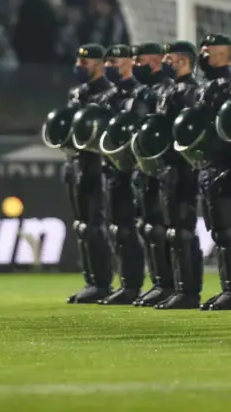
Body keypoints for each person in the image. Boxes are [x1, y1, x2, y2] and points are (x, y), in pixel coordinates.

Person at [191, 34, 231, 310]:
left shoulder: (227, 85)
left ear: (225, 55)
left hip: (223, 165)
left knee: (228, 230)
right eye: (203, 48)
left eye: (210, 50)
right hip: (207, 164)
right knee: (218, 231)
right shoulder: (206, 85)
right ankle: (228, 288)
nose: (204, 53)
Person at [152, 41, 203, 310]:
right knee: (173, 230)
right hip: (169, 166)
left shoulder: (190, 92)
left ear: (183, 61)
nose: (165, 63)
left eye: (170, 58)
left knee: (182, 230)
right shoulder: (172, 90)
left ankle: (189, 290)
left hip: (183, 167)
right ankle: (173, 286)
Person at [64, 43, 115, 304]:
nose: (80, 66)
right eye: (79, 62)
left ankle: (102, 282)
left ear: (99, 64)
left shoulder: (109, 94)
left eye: (86, 63)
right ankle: (91, 280)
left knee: (95, 225)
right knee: (82, 225)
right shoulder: (77, 93)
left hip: (96, 162)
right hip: (75, 162)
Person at [127, 42, 175, 307]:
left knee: (164, 229)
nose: (135, 65)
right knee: (148, 228)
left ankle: (173, 284)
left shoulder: (165, 90)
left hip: (161, 166)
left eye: (139, 60)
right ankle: (159, 282)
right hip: (142, 166)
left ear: (155, 61)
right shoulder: (142, 91)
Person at [99, 44, 146, 305]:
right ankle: (127, 283)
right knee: (119, 229)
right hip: (113, 168)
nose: (110, 66)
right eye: (107, 62)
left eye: (116, 61)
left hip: (135, 168)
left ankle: (140, 284)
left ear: (131, 62)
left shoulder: (141, 94)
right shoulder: (110, 96)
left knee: (137, 229)